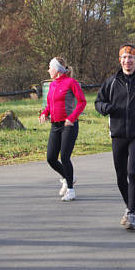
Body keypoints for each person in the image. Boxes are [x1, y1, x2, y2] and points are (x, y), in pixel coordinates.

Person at [95, 44, 135, 230]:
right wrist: (105, 109)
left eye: (131, 58)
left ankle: (131, 212)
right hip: (117, 134)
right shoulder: (111, 82)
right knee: (120, 176)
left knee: (132, 172)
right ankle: (129, 205)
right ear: (120, 60)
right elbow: (98, 101)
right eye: (124, 57)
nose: (127, 61)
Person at [39, 57, 87, 201]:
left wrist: (71, 118)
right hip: (55, 125)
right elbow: (49, 105)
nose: (48, 70)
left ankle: (71, 190)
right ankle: (67, 177)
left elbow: (82, 102)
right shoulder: (52, 85)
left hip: (69, 125)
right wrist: (44, 113)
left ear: (57, 69)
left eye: (50, 67)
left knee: (65, 157)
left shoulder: (71, 83)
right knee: (51, 158)